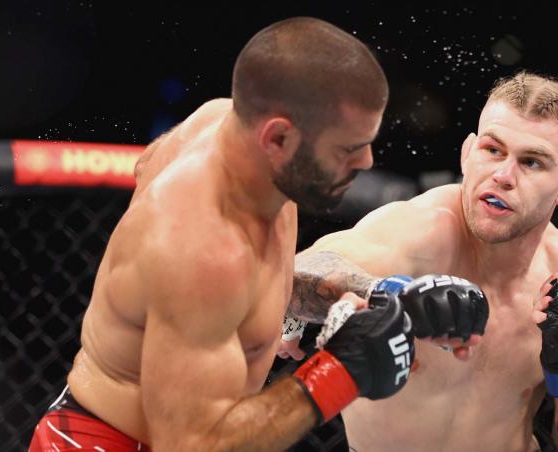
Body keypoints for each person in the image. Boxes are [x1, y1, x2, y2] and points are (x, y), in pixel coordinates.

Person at [27, 17, 483, 452]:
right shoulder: (202, 248)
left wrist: (384, 297)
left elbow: (250, 288)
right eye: (347, 147)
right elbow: (192, 444)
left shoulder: (227, 125)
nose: (366, 161)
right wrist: (342, 370)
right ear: (278, 138)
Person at [280, 71, 558, 451]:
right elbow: (290, 277)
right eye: (492, 150)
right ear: (468, 153)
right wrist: (392, 295)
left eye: (531, 162)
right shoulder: (422, 233)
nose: (503, 175)